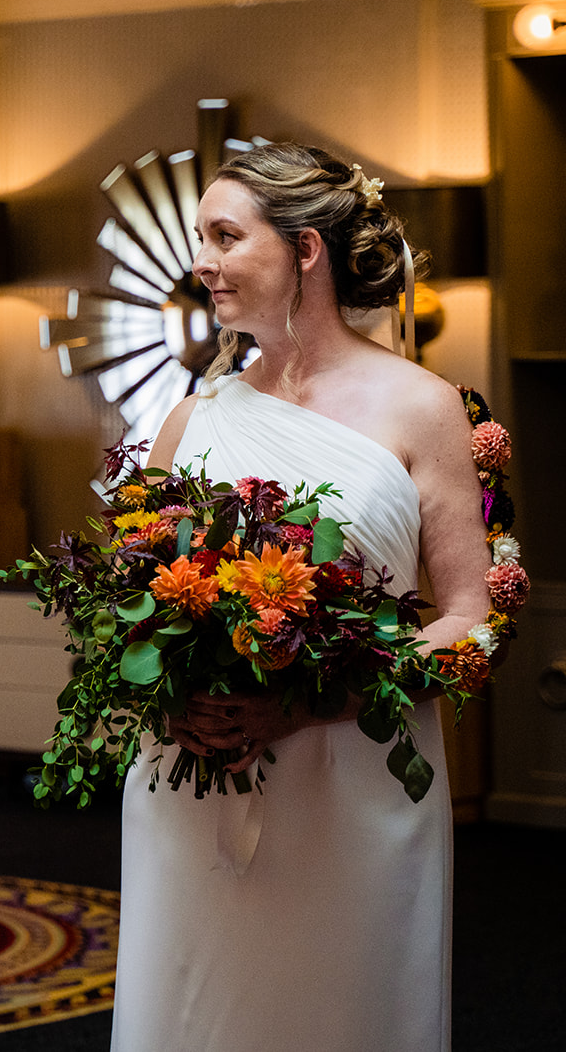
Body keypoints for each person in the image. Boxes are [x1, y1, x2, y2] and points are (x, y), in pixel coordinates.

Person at [110, 143, 491, 1051]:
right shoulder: (187, 419)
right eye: (198, 236)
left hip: (350, 785)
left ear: (306, 250)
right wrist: (170, 692)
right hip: (195, 789)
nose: (199, 260)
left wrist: (314, 695)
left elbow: (471, 618)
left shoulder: (425, 407)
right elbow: (130, 600)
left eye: (224, 235)